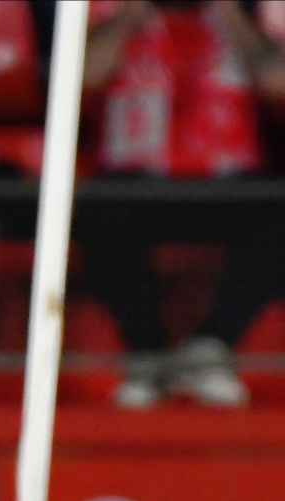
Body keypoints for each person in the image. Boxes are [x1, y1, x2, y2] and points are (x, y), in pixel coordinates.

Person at [79, 0, 285, 409]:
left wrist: (229, 12)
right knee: (98, 209)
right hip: (135, 179)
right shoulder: (113, 13)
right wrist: (134, 11)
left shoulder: (247, 15)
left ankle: (210, 346)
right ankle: (147, 354)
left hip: (227, 182)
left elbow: (276, 82)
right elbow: (81, 78)